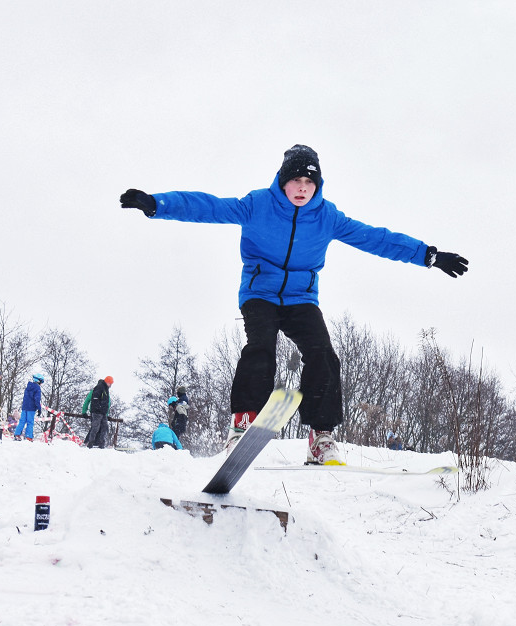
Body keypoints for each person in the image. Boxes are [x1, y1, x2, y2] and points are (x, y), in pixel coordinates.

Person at [121, 144, 468, 464]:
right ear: (283, 183)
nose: (302, 187)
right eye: (295, 181)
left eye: (309, 181)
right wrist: (157, 204)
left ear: (317, 185)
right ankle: (243, 423)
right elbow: (208, 206)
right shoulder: (257, 205)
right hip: (261, 292)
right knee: (261, 348)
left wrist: (429, 256)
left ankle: (321, 436)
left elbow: (375, 238)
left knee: (324, 354)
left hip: (302, 297)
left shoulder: (327, 217)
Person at [82, 376, 114, 448]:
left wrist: (106, 414)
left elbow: (107, 404)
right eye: (110, 383)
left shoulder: (106, 390)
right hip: (97, 412)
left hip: (102, 413)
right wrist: (84, 411)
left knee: (103, 428)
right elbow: (88, 400)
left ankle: (99, 444)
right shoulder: (98, 389)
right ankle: (90, 443)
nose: (110, 385)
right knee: (95, 428)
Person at [13, 373, 45, 441]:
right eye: (41, 382)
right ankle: (28, 436)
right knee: (30, 422)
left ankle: (17, 434)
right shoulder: (37, 388)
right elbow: (37, 399)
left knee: (22, 421)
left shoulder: (28, 386)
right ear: (39, 381)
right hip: (31, 408)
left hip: (25, 407)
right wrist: (39, 408)